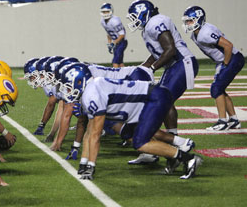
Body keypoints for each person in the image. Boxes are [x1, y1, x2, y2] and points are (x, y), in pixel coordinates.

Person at [59, 64, 202, 180]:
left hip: (153, 98)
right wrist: (84, 162)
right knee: (129, 134)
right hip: (146, 101)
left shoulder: (92, 94)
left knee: (140, 142)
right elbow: (89, 132)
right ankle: (173, 156)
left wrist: (91, 166)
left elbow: (95, 135)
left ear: (80, 81)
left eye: (68, 86)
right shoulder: (90, 91)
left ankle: (188, 158)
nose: (66, 90)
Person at [126, 0, 199, 137]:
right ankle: (171, 136)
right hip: (175, 65)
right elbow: (157, 52)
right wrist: (142, 68)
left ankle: (166, 139)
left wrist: (152, 68)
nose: (133, 20)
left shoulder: (155, 22)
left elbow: (170, 49)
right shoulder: (149, 27)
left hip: (181, 62)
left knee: (162, 99)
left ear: (143, 13)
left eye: (135, 16)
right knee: (163, 99)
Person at [182, 6, 245, 131]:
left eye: (191, 20)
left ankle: (222, 121)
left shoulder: (204, 33)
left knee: (216, 89)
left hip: (231, 58)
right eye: (187, 21)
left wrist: (225, 64)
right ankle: (233, 120)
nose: (188, 23)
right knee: (220, 89)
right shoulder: (197, 34)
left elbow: (228, 45)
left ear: (199, 19)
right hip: (225, 60)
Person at [100, 3, 128, 68]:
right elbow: (109, 34)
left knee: (115, 61)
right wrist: (109, 44)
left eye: (107, 11)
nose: (105, 13)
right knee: (120, 63)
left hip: (122, 42)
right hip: (116, 43)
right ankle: (127, 76)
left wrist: (113, 43)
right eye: (104, 12)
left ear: (111, 11)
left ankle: (116, 77)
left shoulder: (115, 20)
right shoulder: (102, 21)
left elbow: (122, 35)